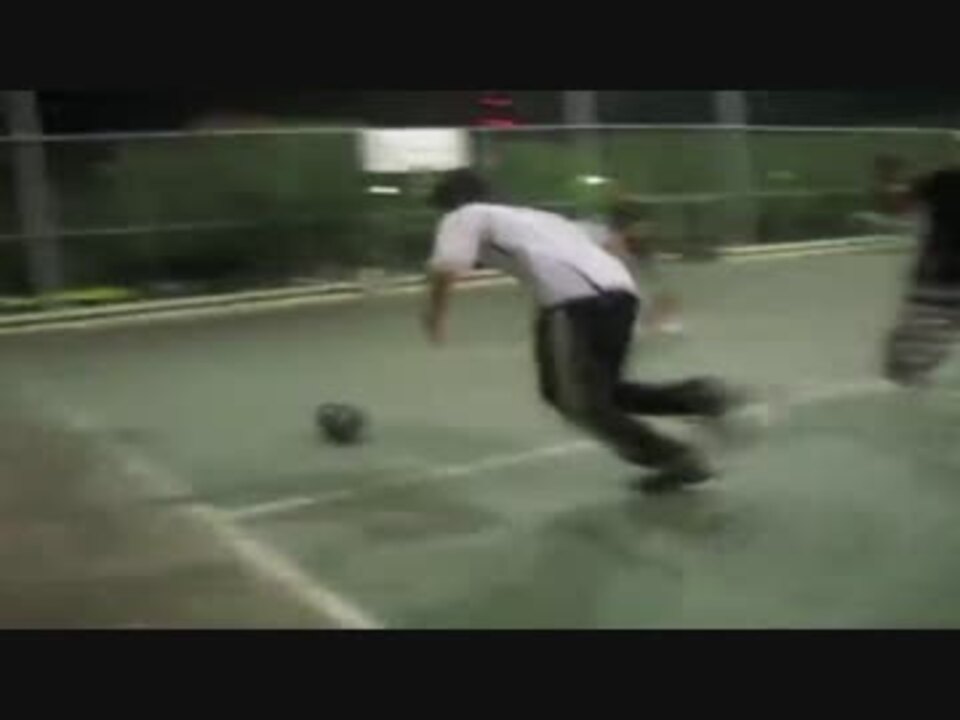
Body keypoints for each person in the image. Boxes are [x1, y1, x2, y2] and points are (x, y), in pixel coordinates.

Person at [421, 169, 745, 493]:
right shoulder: (537, 217)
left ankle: (676, 457)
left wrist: (434, 316)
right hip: (617, 296)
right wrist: (656, 290)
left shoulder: (465, 215)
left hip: (576, 303)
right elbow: (613, 245)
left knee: (576, 400)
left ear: (452, 202)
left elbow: (446, 266)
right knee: (601, 393)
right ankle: (701, 398)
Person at [884, 167, 960, 387]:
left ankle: (905, 371)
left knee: (927, 329)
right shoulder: (943, 180)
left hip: (935, 274)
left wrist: (893, 184)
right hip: (938, 276)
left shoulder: (943, 180)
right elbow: (901, 204)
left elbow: (901, 204)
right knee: (930, 329)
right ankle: (906, 370)